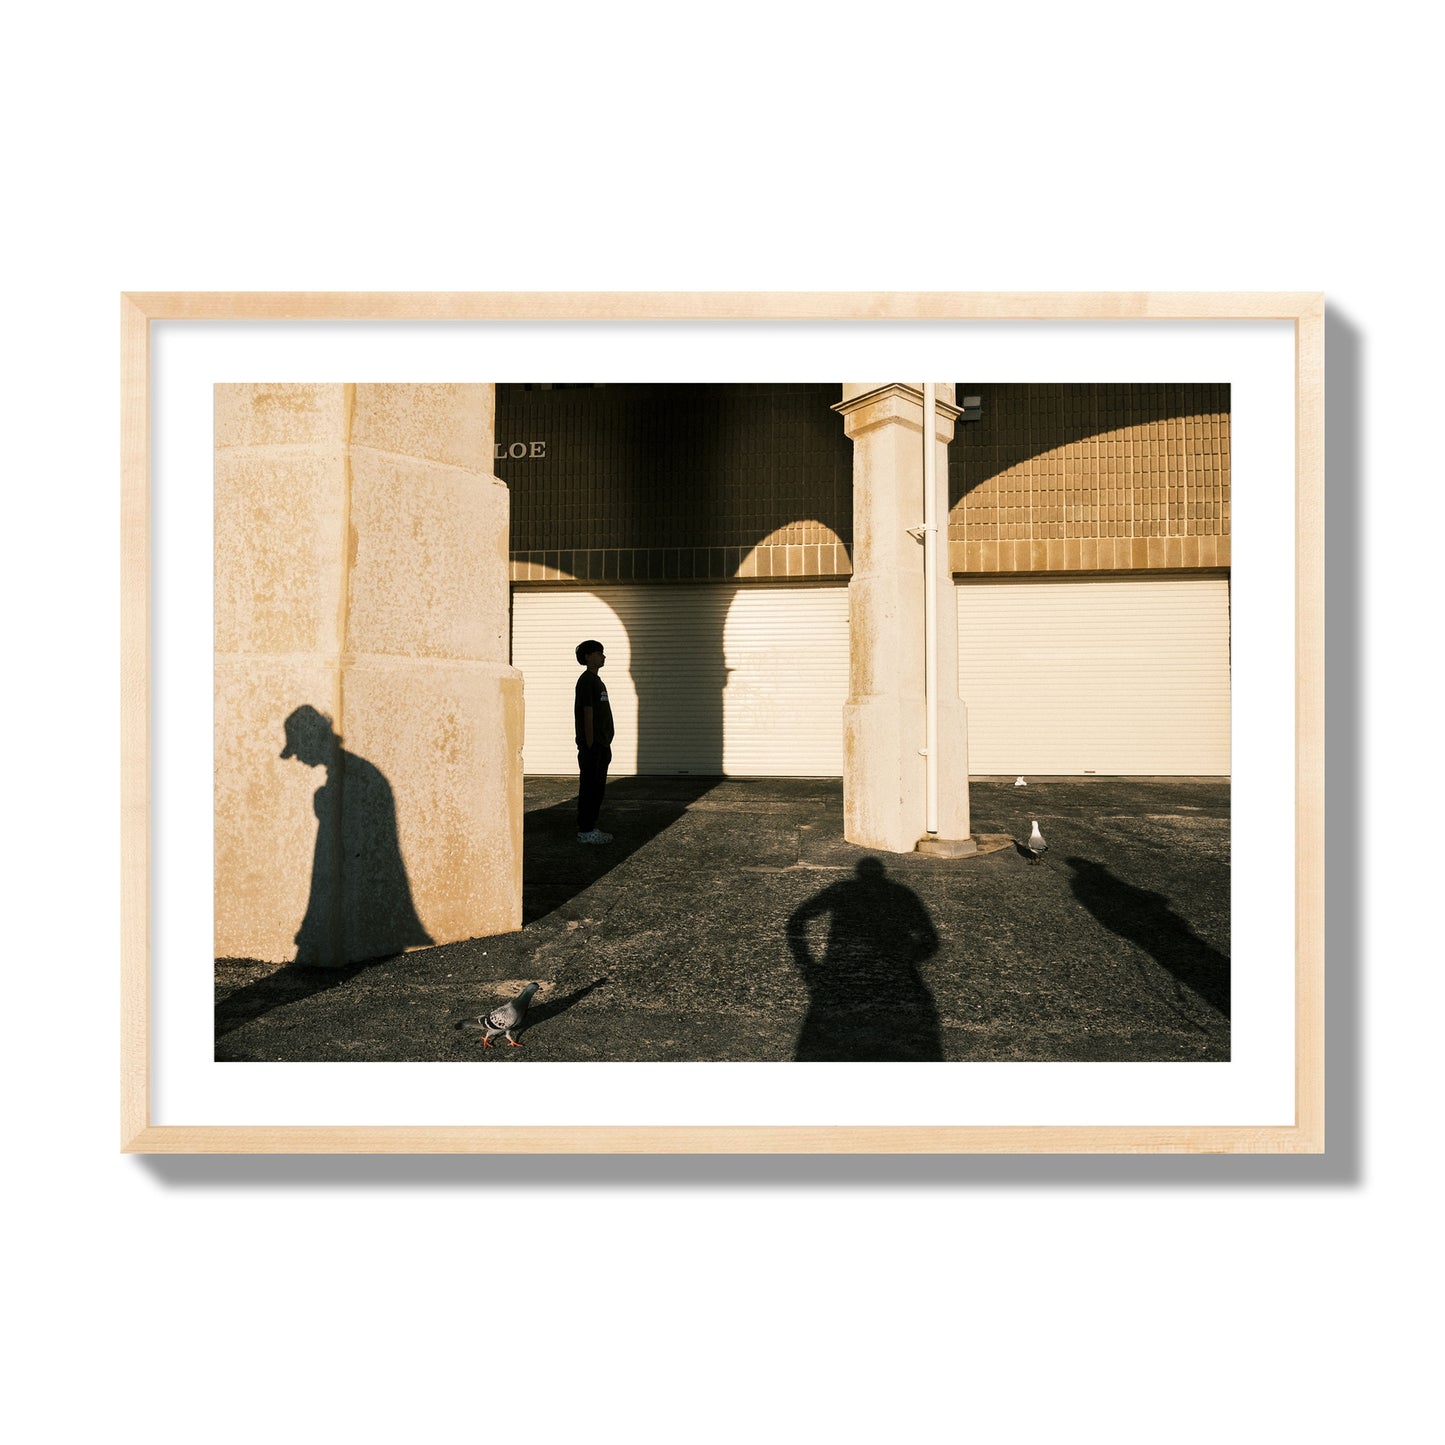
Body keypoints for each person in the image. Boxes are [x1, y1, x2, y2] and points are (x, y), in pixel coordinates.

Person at [574, 639, 614, 843]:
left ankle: (590, 827)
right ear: (588, 656)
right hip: (594, 746)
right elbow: (587, 713)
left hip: (601, 744)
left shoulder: (596, 681)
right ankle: (586, 831)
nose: (603, 656)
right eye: (599, 653)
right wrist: (591, 745)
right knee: (590, 787)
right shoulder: (587, 681)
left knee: (597, 788)